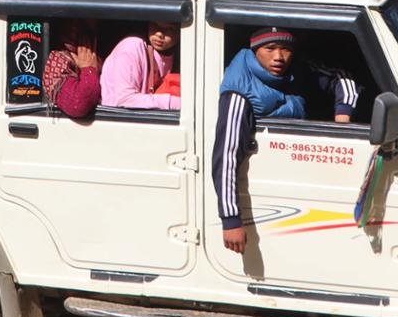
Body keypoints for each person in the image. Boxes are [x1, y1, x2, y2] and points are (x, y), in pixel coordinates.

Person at [211, 28, 359, 254]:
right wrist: (231, 220)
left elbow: (342, 78)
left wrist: (342, 116)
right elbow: (226, 157)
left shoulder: (296, 68)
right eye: (269, 49)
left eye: (286, 49)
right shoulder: (237, 95)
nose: (278, 57)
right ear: (255, 50)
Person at [100, 21, 181, 110]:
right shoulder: (131, 48)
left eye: (169, 28)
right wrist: (174, 102)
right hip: (117, 119)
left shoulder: (178, 55)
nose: (159, 33)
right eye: (155, 25)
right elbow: (125, 99)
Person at [40, 19, 102, 119]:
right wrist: (88, 69)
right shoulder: (57, 60)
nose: (73, 30)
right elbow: (77, 104)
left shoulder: (98, 56)